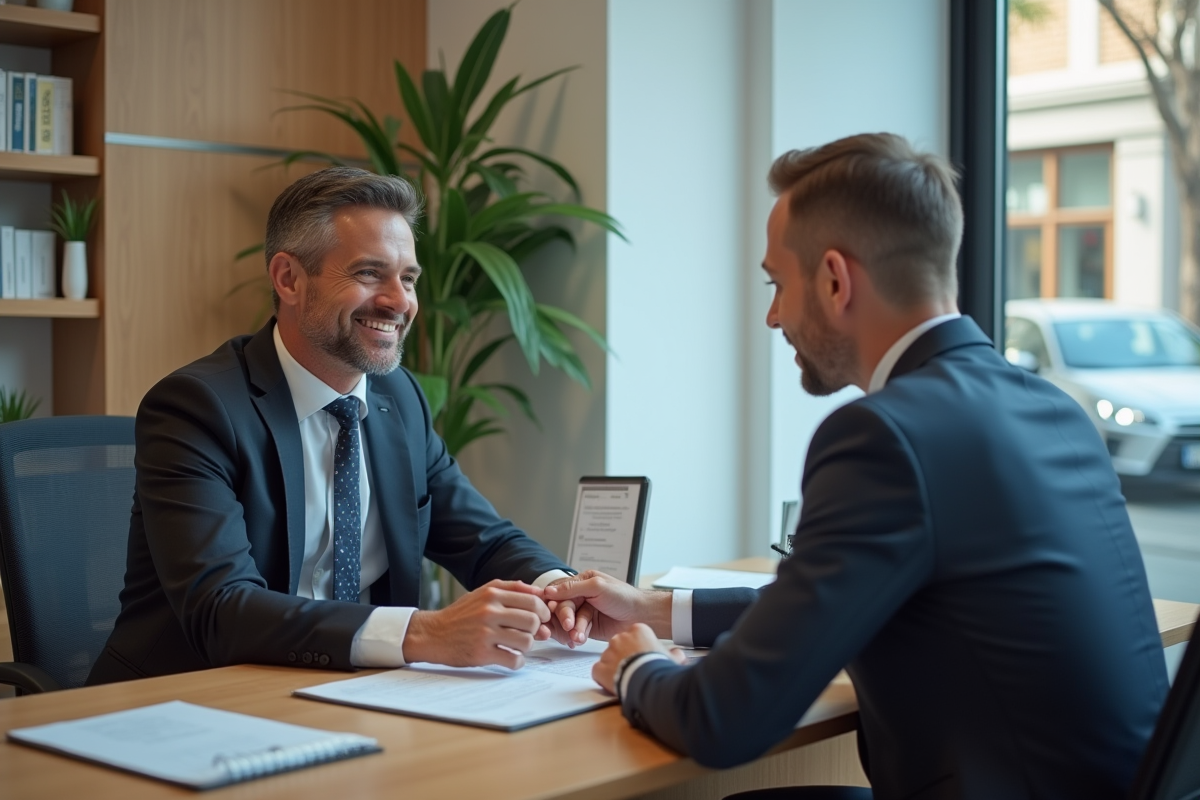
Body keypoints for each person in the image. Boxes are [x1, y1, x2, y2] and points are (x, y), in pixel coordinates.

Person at [545, 134, 1169, 800]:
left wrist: (637, 668)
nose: (772, 316)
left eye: (777, 284)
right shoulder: (1052, 409)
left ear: (835, 280)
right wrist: (653, 609)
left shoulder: (884, 437)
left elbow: (724, 720)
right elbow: (828, 604)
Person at [89, 167, 580, 685]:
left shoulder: (399, 398)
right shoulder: (198, 407)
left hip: (351, 692)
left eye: (408, 278)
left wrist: (565, 590)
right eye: (369, 273)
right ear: (289, 279)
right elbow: (222, 609)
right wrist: (424, 632)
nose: (400, 302)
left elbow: (483, 538)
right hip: (190, 698)